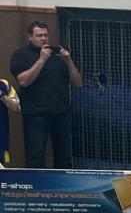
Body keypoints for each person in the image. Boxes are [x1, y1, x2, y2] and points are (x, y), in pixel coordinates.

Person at [9, 21, 82, 169]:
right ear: (30, 37)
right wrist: (42, 59)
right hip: (36, 114)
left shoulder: (58, 56)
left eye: (46, 35)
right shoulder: (21, 55)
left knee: (64, 157)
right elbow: (23, 81)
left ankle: (62, 183)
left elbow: (78, 83)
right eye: (39, 35)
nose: (43, 39)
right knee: (36, 156)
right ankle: (37, 183)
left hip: (61, 112)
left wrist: (68, 61)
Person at [0, 78, 19, 167]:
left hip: (1, 140)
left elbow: (16, 107)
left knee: (4, 166)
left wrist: (2, 96)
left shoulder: (3, 84)